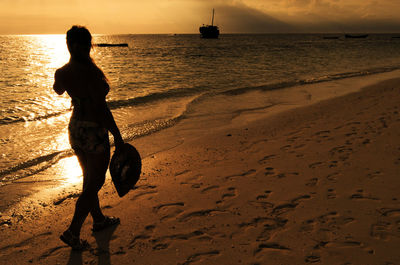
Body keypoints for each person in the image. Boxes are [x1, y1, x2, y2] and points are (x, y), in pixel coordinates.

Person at [53, 25, 124, 250]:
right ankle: (73, 230)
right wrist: (117, 135)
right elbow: (101, 108)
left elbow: (58, 90)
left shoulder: (62, 72)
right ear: (86, 45)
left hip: (76, 129)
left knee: (88, 178)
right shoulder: (92, 72)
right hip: (94, 129)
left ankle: (99, 220)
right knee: (95, 182)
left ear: (68, 45)